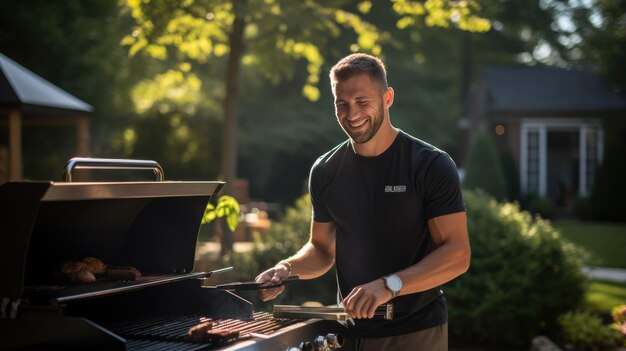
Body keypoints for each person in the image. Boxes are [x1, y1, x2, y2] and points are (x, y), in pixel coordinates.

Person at [255, 53, 471, 350]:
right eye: (341, 104)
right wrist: (287, 269)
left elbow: (457, 253)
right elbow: (321, 250)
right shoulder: (325, 171)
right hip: (351, 334)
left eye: (362, 101)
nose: (352, 114)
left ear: (388, 97)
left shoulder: (429, 165)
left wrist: (388, 286)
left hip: (416, 332)